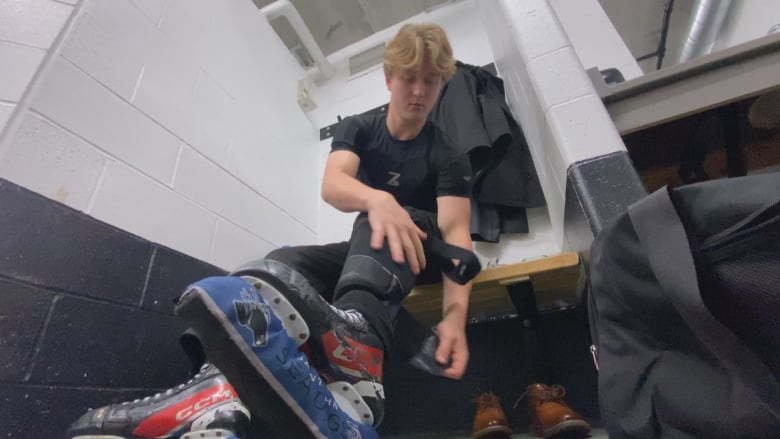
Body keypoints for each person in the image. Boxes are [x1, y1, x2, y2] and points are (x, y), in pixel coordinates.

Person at [66, 22, 478, 438]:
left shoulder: (447, 153)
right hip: (369, 246)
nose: (420, 92)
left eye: (431, 82)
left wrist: (454, 319)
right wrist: (377, 198)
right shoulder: (359, 127)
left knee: (385, 217)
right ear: (389, 78)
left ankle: (360, 349)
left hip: (422, 252)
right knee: (278, 267)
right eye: (410, 78)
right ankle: (218, 390)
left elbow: (457, 234)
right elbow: (334, 185)